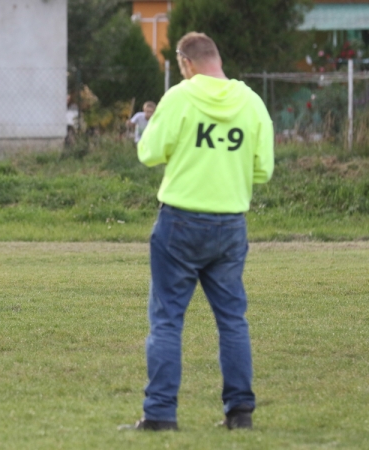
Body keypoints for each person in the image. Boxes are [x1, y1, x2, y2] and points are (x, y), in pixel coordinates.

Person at [129, 32, 274, 431]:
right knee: (232, 319)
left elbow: (148, 153)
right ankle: (240, 413)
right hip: (230, 223)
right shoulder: (251, 101)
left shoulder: (180, 96)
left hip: (180, 221)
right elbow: (263, 170)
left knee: (167, 320)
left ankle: (160, 414)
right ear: (216, 58)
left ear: (186, 63)